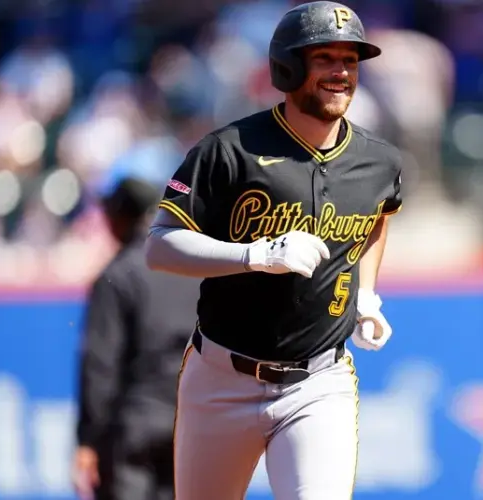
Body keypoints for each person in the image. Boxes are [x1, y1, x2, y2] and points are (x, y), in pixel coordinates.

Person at [144, 2, 402, 498]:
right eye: (325, 58)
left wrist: (366, 295)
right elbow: (160, 246)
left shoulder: (379, 161)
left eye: (350, 60)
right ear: (287, 66)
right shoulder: (229, 149)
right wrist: (255, 255)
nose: (341, 72)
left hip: (318, 382)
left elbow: (377, 218)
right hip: (220, 378)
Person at [73, 176, 201, 500]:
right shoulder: (195, 266)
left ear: (121, 216)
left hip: (134, 427)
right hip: (193, 422)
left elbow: (100, 364)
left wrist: (88, 439)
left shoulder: (117, 275)